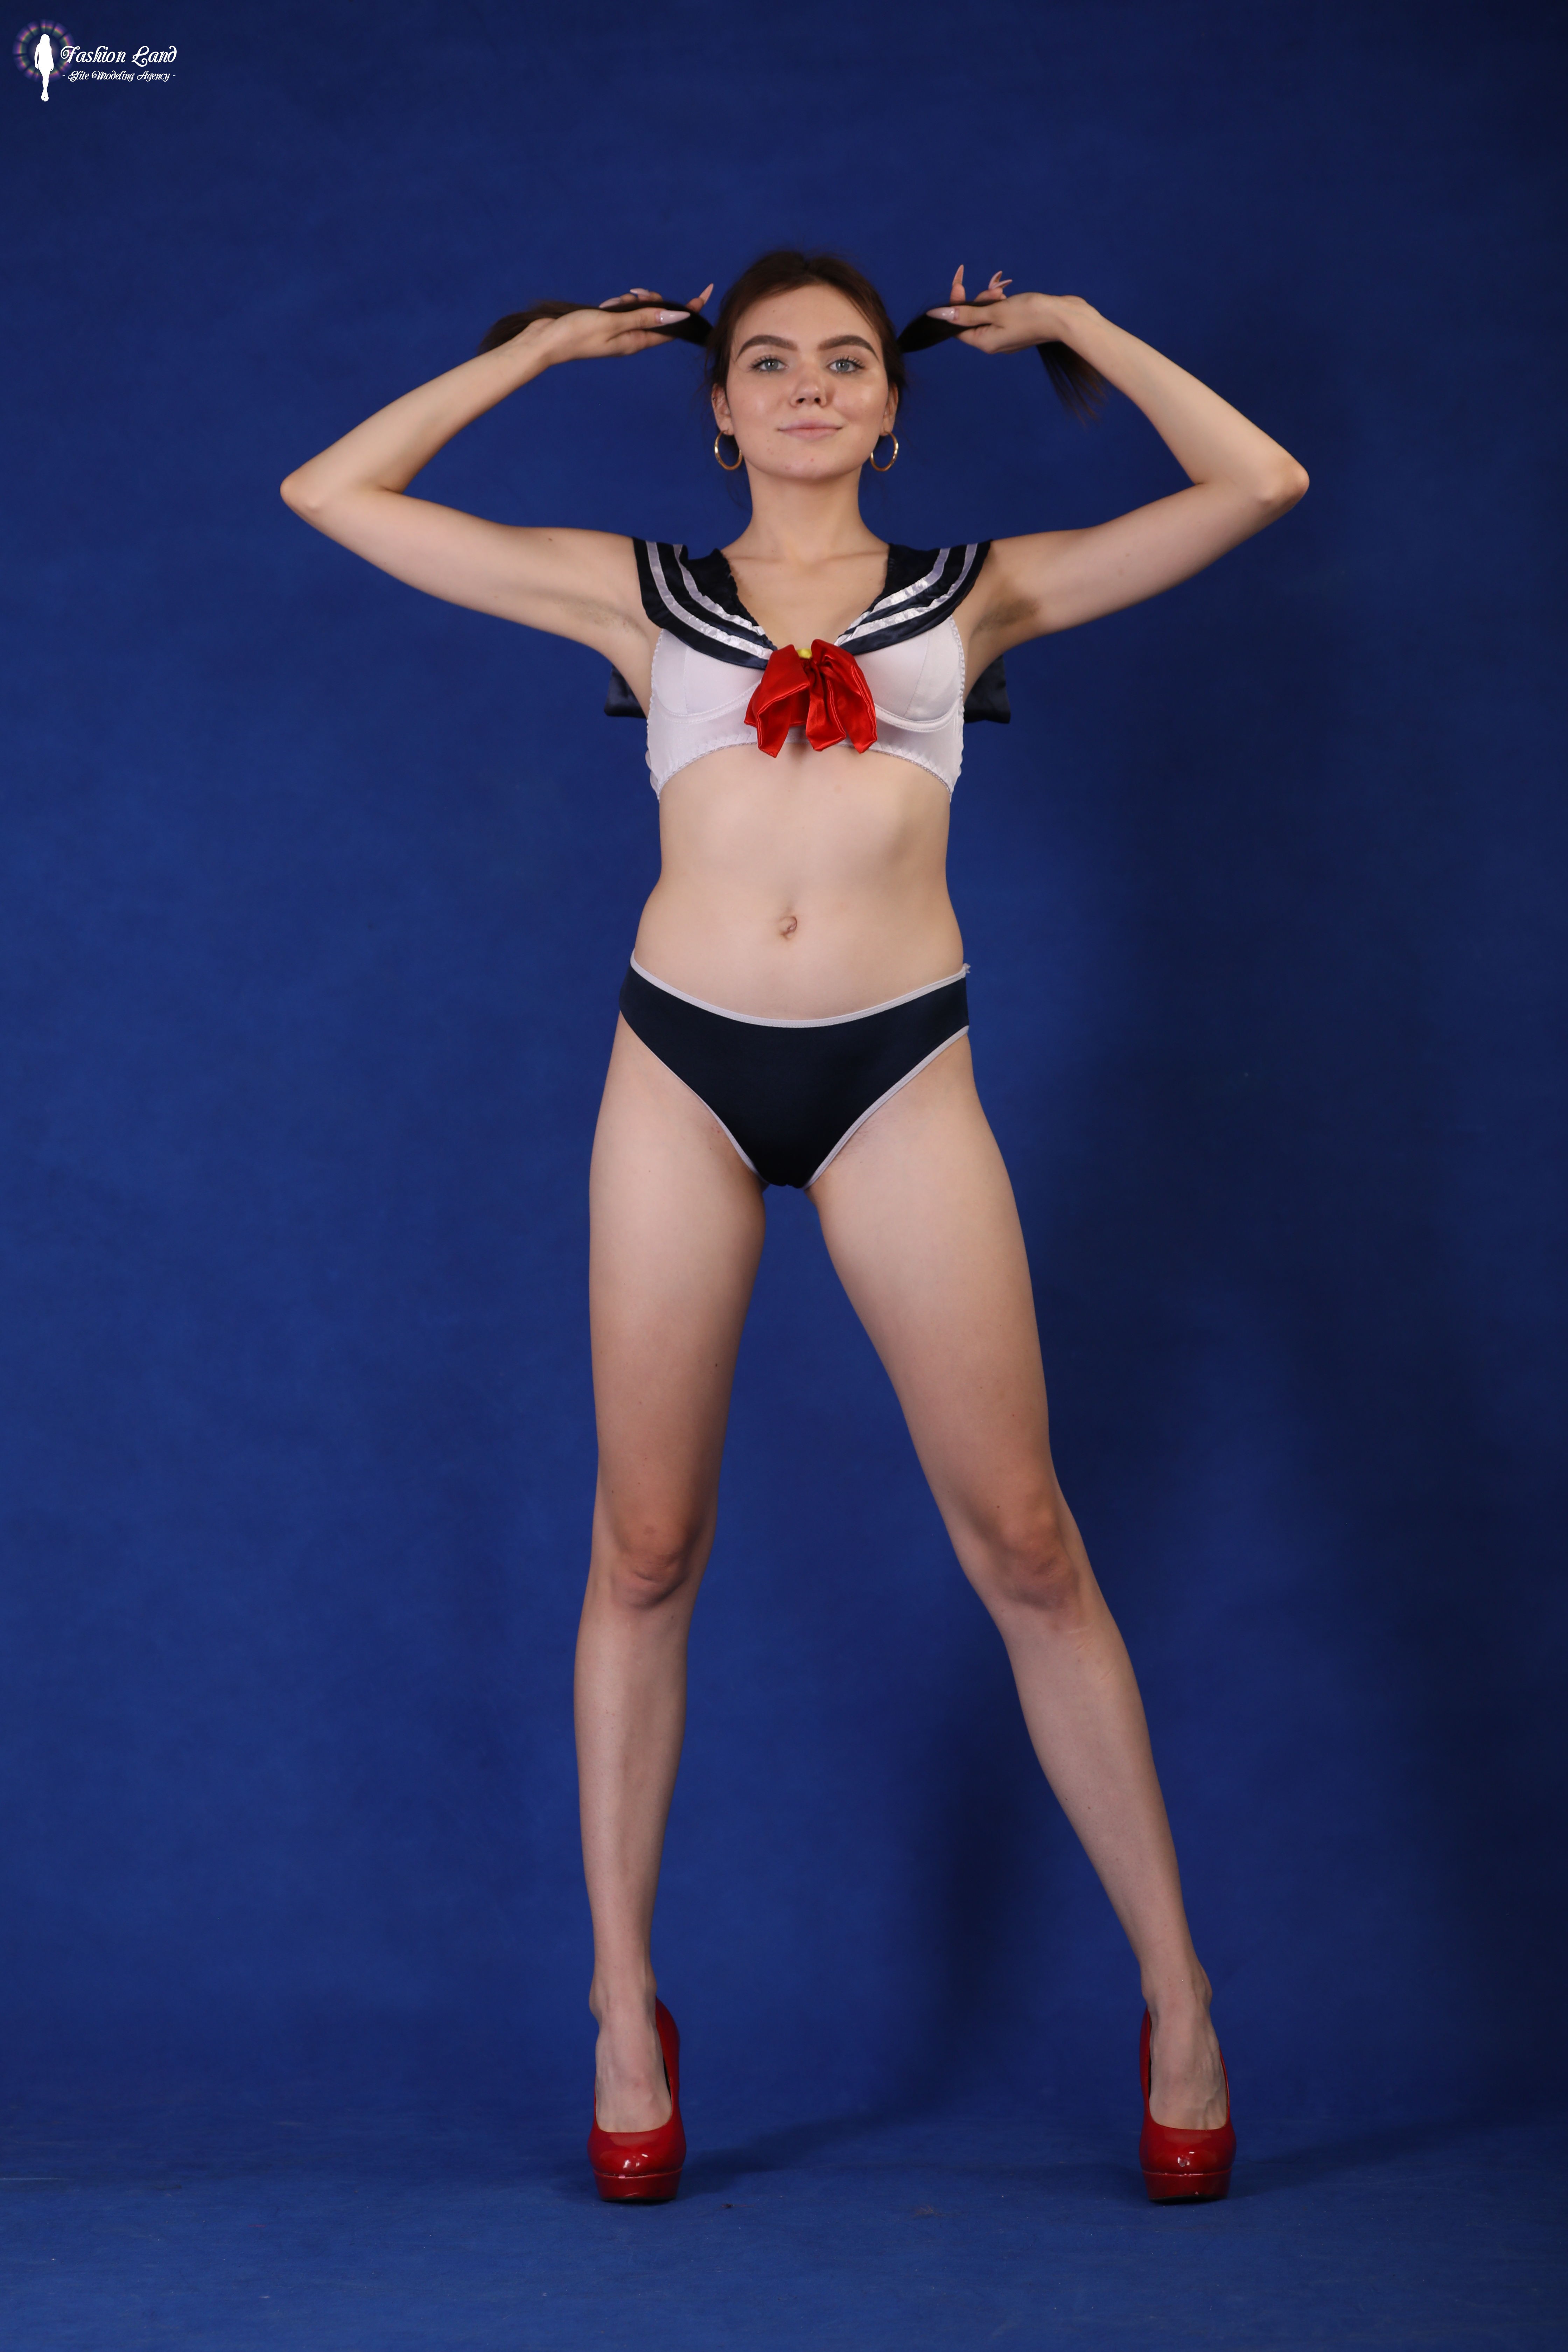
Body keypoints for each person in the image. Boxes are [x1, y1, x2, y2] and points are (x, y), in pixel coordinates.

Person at [280, 247, 1307, 2207]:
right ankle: (623, 2006)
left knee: (1028, 1541)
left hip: (898, 1073)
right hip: (679, 1070)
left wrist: (1079, 335)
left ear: (895, 410)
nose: (814, 385)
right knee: (647, 1545)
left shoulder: (977, 591)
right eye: (771, 362)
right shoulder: (634, 590)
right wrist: (538, 353)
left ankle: (1179, 1999)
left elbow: (1259, 483)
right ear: (722, 408)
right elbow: (332, 493)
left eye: (848, 360)